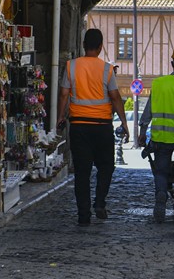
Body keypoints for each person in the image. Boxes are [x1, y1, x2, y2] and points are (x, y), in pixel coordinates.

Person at [57, 28, 129, 227]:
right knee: (106, 166)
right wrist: (123, 122)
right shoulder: (107, 69)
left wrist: (60, 116)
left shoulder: (71, 66)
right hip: (102, 126)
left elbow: (64, 94)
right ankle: (99, 202)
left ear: (83, 45)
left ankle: (83, 215)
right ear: (100, 46)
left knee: (82, 171)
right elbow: (115, 97)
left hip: (79, 126)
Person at [138, 45, 174, 223]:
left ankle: (161, 194)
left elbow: (148, 111)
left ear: (172, 63)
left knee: (161, 172)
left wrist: (142, 131)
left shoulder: (159, 83)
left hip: (160, 137)